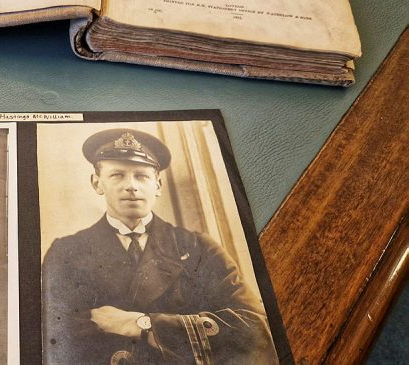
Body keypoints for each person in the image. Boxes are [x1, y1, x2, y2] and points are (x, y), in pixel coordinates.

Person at [42, 128, 278, 364]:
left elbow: (255, 326)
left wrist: (144, 325)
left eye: (142, 176)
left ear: (158, 185)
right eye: (117, 175)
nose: (131, 186)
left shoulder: (198, 248)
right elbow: (55, 335)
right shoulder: (66, 253)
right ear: (97, 183)